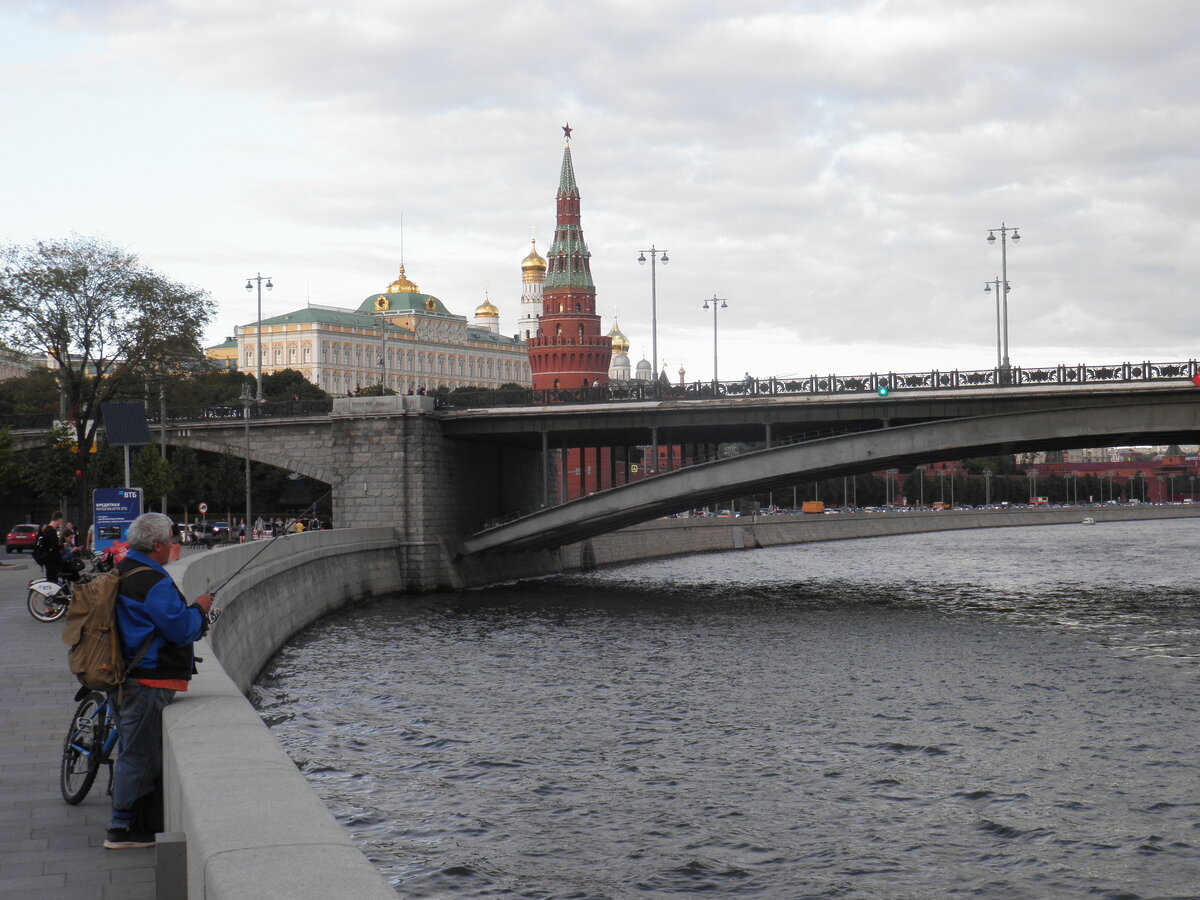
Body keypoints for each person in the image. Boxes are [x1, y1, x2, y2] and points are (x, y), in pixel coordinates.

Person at [104, 512, 213, 850]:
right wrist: (199, 609)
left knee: (133, 749)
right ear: (157, 545)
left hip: (125, 675)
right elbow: (180, 630)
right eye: (171, 540)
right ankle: (123, 830)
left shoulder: (123, 570)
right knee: (139, 756)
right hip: (148, 681)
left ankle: (131, 822)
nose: (174, 546)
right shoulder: (153, 581)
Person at [37, 511, 64, 583]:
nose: (61, 523)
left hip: (49, 560)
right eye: (61, 521)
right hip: (52, 561)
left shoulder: (47, 530)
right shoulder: (51, 531)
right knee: (52, 582)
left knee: (52, 581)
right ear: (59, 520)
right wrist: (62, 545)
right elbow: (54, 547)